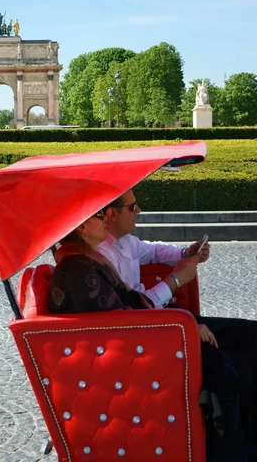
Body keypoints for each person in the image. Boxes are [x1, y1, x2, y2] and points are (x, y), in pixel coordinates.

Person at [49, 207, 248, 460]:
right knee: (224, 369)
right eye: (100, 216)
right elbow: (120, 324)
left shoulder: (88, 258)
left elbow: (127, 309)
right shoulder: (79, 268)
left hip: (143, 336)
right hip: (131, 356)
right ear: (82, 227)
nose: (105, 222)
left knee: (230, 359)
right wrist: (182, 325)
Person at [97, 190, 257, 455]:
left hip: (166, 319)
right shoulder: (102, 256)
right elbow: (132, 312)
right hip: (154, 331)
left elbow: (153, 250)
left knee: (251, 334)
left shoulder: (124, 241)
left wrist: (186, 251)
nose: (139, 211)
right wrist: (175, 282)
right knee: (231, 367)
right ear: (112, 214)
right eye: (132, 207)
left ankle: (250, 435)